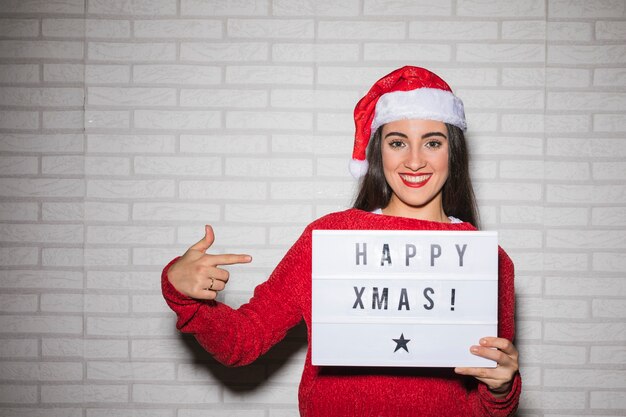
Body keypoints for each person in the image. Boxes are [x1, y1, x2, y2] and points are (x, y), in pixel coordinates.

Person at [162, 66, 521, 416]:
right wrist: (184, 296)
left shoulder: (490, 261)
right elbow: (243, 341)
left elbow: (483, 408)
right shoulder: (330, 239)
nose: (414, 161)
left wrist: (502, 388)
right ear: (378, 151)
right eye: (398, 142)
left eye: (432, 142)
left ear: (452, 151)